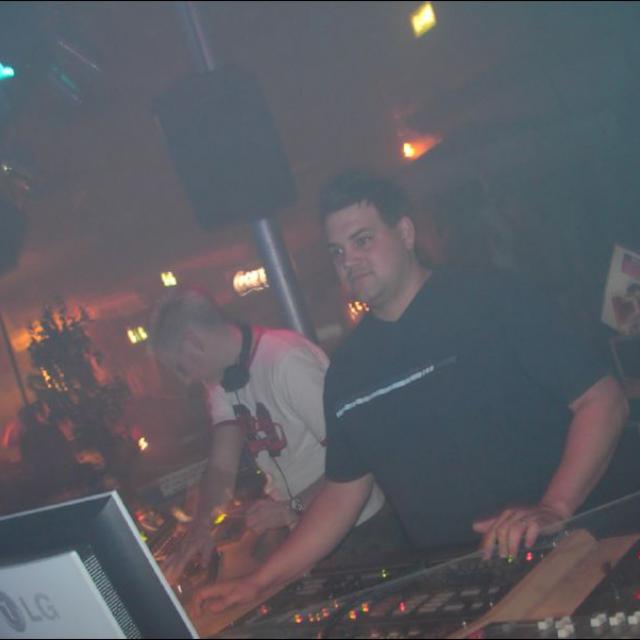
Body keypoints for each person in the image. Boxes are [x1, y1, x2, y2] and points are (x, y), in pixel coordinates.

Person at [195, 169, 633, 613]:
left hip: (575, 555)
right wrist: (259, 582)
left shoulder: (492, 299)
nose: (350, 261)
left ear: (405, 233)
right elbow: (343, 494)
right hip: (467, 588)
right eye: (337, 251)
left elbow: (602, 401)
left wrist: (554, 507)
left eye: (363, 241)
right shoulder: (349, 371)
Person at [148, 286, 392, 585]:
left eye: (181, 368)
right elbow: (221, 467)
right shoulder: (224, 381)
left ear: (193, 342)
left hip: (359, 528)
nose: (186, 380)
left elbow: (357, 454)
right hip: (307, 533)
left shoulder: (286, 362)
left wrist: (292, 506)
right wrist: (199, 529)